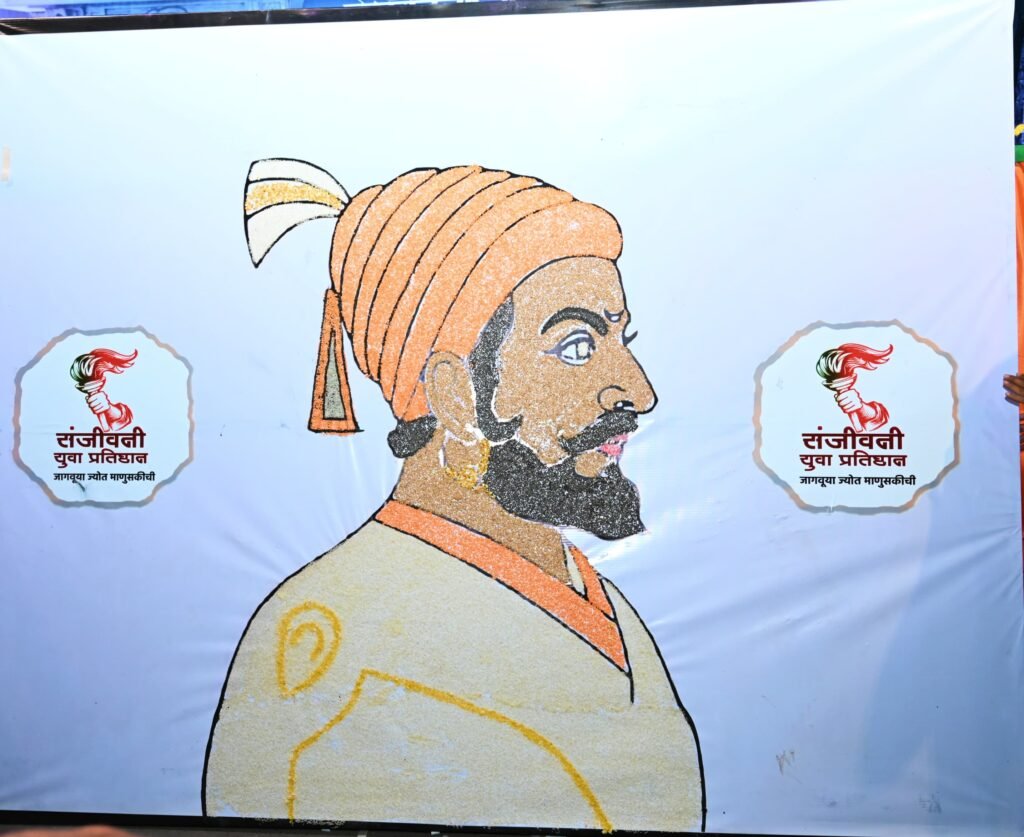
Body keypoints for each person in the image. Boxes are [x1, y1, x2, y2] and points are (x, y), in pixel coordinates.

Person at [202, 162, 705, 832]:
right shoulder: (320, 642)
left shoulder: (608, 607)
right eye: (577, 346)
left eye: (623, 339)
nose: (638, 392)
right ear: (455, 394)